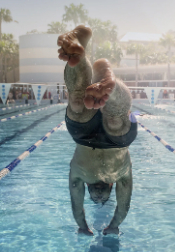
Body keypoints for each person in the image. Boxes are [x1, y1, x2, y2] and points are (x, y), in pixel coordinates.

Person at [57, 25, 136, 236]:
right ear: (112, 187)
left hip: (83, 137)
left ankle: (81, 55)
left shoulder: (78, 178)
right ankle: (109, 83)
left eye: (95, 198)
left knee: (76, 103)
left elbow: (76, 204)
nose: (99, 197)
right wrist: (114, 225)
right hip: (118, 142)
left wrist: (82, 225)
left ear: (87, 191)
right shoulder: (121, 177)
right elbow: (123, 206)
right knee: (116, 121)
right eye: (103, 198)